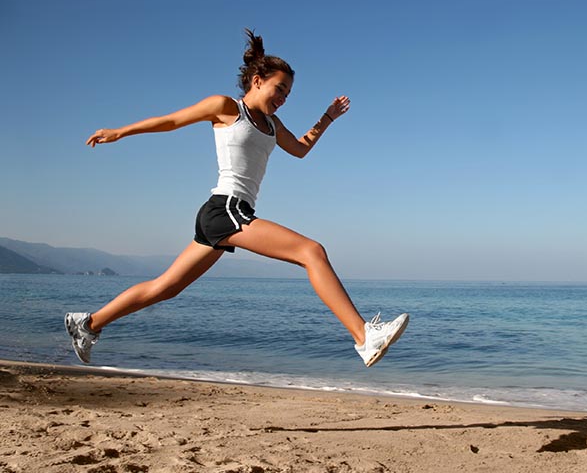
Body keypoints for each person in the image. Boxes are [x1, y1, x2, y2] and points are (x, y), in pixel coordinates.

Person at [65, 29, 408, 368]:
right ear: (257, 80)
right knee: (311, 251)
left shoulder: (273, 125)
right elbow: (171, 121)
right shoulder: (227, 107)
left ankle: (88, 324)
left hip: (225, 214)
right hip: (226, 207)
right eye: (279, 88)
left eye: (288, 93)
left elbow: (301, 149)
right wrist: (120, 132)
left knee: (166, 287)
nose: (283, 97)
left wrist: (327, 118)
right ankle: (365, 338)